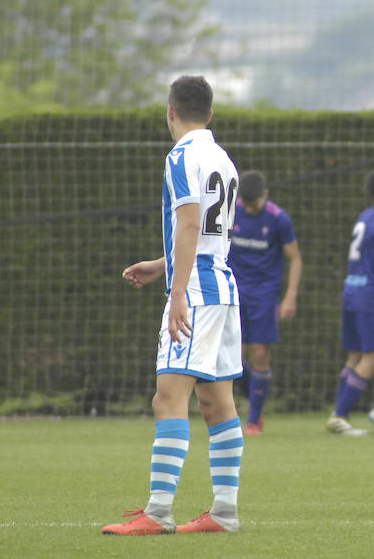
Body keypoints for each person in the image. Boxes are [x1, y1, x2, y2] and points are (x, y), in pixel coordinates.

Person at [103, 75, 244, 535]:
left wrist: (178, 291)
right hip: (222, 287)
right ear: (211, 113)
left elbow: (187, 225)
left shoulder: (182, 155)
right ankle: (224, 513)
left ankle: (158, 512)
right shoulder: (223, 159)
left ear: (170, 110)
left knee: (168, 398)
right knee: (217, 402)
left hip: (198, 291)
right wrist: (163, 266)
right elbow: (205, 236)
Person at [327, 168, 374, 436]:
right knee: (373, 356)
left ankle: (337, 415)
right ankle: (340, 415)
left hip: (351, 292)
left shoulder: (364, 217)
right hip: (371, 297)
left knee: (356, 356)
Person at [227, 170, 302, 436]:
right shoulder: (231, 211)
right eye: (246, 203)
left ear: (265, 195)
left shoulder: (278, 219)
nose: (249, 208)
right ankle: (242, 406)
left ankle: (254, 419)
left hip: (264, 295)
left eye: (254, 203)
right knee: (232, 356)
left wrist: (290, 295)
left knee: (260, 353)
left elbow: (295, 258)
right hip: (234, 292)